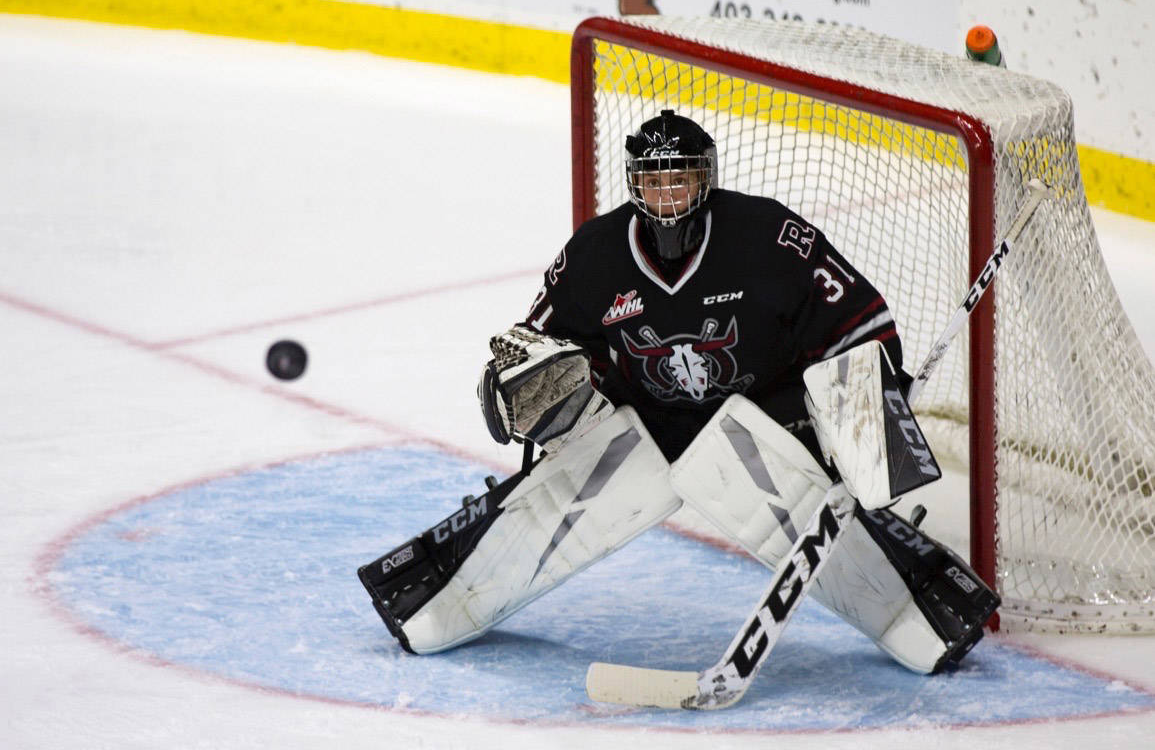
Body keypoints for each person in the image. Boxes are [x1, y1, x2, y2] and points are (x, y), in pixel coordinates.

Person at [358, 111, 998, 676]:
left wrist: (861, 412)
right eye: (655, 181)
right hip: (650, 419)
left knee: (792, 470)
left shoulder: (769, 236)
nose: (668, 194)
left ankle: (930, 611)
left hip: (769, 415)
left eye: (681, 178)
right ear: (635, 183)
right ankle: (440, 599)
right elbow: (537, 347)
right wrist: (518, 392)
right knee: (574, 484)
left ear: (705, 178)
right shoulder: (593, 256)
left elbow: (861, 325)